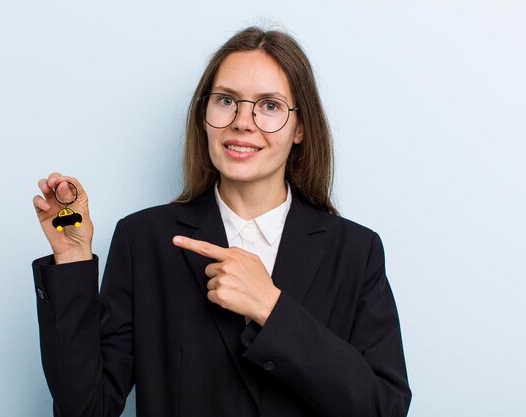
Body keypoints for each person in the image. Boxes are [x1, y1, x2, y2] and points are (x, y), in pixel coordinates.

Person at [32, 27, 412, 417]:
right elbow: (86, 409)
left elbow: (384, 409)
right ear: (204, 116)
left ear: (300, 128)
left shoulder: (355, 251)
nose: (242, 122)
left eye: (269, 105)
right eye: (227, 100)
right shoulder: (143, 239)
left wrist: (271, 307)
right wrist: (73, 257)